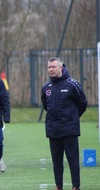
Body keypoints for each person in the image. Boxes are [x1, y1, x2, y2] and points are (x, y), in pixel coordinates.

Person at [41, 57, 87, 190]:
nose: (51, 69)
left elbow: (82, 103)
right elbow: (46, 106)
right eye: (49, 67)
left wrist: (72, 117)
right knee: (56, 161)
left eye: (53, 67)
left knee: (72, 160)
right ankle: (58, 186)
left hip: (69, 130)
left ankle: (75, 186)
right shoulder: (46, 87)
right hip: (53, 130)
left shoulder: (72, 84)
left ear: (61, 67)